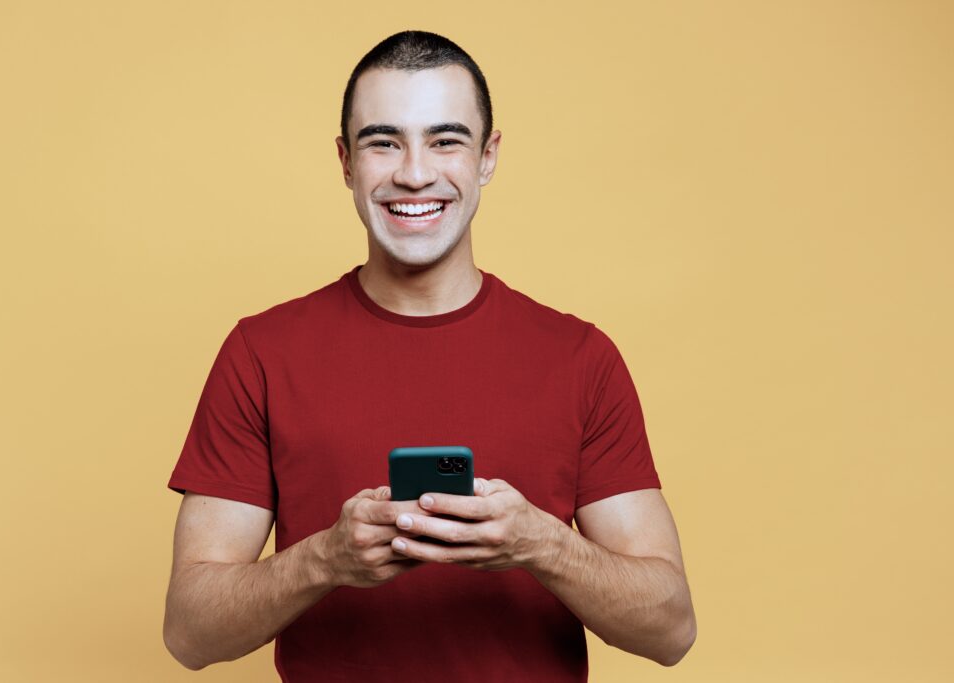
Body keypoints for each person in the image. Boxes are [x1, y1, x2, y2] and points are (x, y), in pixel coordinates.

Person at [162, 30, 696, 681]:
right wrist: (327, 558)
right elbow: (190, 632)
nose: (414, 172)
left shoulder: (581, 357)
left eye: (445, 140)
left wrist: (540, 541)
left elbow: (670, 629)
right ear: (346, 162)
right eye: (383, 141)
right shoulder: (261, 353)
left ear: (488, 156)